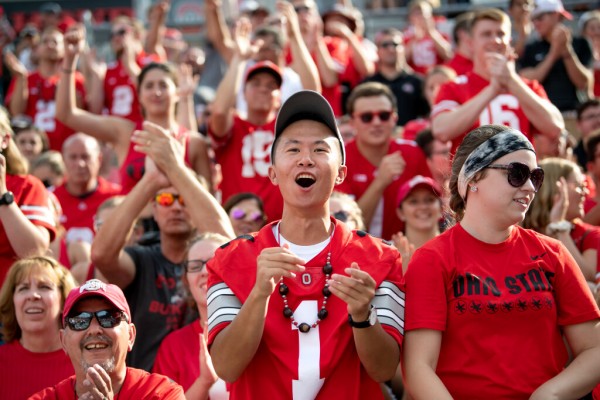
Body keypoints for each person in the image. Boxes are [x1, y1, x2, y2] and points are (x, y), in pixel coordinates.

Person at [207, 90, 404, 399]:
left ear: (341, 174)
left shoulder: (381, 258)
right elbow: (226, 367)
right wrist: (259, 294)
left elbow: (384, 369)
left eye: (320, 149)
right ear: (273, 173)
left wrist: (364, 314)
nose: (306, 159)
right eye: (293, 149)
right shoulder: (229, 259)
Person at [403, 124, 600, 398]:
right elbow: (418, 367)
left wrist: (551, 394)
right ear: (473, 177)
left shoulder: (552, 253)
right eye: (517, 174)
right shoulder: (433, 259)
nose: (530, 187)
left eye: (536, 176)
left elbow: (594, 349)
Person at [91, 118, 234, 371]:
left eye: (183, 198)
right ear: (153, 210)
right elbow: (101, 255)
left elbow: (228, 246)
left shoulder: (213, 262)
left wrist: (176, 168)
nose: (176, 206)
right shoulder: (142, 260)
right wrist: (150, 181)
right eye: (166, 199)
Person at [56, 29, 213, 194]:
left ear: (176, 92)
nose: (156, 92)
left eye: (163, 85)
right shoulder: (125, 132)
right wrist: (70, 60)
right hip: (134, 220)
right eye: (149, 86)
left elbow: (207, 197)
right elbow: (66, 114)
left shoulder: (193, 142)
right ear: (139, 94)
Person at [432, 8, 564, 155]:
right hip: (472, 176)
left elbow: (555, 127)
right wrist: (492, 90)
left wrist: (511, 81)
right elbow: (441, 131)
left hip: (518, 175)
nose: (495, 40)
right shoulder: (454, 86)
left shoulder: (528, 86)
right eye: (486, 34)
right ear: (470, 43)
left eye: (501, 34)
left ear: (510, 42)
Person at [30, 278, 186, 399]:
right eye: (80, 320)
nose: (94, 329)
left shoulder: (161, 394)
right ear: (63, 341)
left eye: (108, 318)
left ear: (131, 335)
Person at [209, 22, 285, 221]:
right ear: (244, 92)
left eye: (271, 86)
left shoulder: (287, 129)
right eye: (256, 83)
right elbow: (218, 111)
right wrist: (239, 59)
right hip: (238, 225)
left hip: (279, 228)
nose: (263, 89)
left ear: (280, 96)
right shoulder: (233, 125)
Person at [337, 82, 432, 240]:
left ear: (394, 118)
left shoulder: (412, 153)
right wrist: (380, 181)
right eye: (366, 117)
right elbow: (346, 227)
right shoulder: (340, 158)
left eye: (384, 115)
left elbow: (430, 213)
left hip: (402, 252)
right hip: (353, 251)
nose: (376, 123)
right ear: (352, 122)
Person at [153, 233, 230, 399]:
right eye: (195, 266)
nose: (204, 271)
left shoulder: (261, 330)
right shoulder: (173, 346)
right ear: (187, 281)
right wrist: (204, 382)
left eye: (214, 261)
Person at [0, 256, 76, 400]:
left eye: (44, 287)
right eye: (23, 288)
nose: (33, 295)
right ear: (12, 301)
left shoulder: (84, 363)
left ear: (64, 301)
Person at [4, 27, 86, 152]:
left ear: (64, 49)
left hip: (66, 149)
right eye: (45, 41)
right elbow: (16, 113)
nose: (50, 45)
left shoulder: (76, 79)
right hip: (32, 151)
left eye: (55, 42)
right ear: (36, 49)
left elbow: (80, 114)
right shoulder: (26, 78)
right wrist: (21, 78)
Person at [0, 107, 56, 287]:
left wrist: (3, 196)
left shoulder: (27, 186)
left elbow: (35, 251)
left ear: (5, 140)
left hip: (8, 304)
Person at [523, 157, 600, 287]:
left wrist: (558, 225)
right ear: (556, 188)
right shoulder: (521, 230)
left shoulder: (589, 234)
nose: (585, 193)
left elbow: (587, 279)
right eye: (579, 186)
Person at [519, 0, 593, 121]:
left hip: (576, 115)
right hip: (544, 117)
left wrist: (567, 52)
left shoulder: (581, 44)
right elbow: (527, 81)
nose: (536, 23)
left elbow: (583, 83)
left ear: (557, 15)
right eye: (533, 19)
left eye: (540, 17)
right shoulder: (531, 48)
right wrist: (554, 53)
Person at [53, 133, 121, 244]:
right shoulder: (49, 198)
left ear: (99, 159)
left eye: (85, 157)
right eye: (73, 157)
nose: (80, 163)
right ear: (63, 160)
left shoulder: (117, 196)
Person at [362, 28, 430, 127]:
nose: (391, 49)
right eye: (385, 45)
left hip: (411, 138)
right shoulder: (367, 84)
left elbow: (426, 115)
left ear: (403, 48)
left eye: (395, 44)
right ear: (377, 51)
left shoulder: (418, 82)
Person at [392, 175, 444, 273]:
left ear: (442, 209)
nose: (423, 207)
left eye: (429, 200)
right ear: (401, 213)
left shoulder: (455, 249)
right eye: (413, 201)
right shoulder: (387, 252)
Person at [404, 0, 452, 75]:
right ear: (410, 17)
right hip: (415, 76)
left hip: (437, 75)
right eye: (416, 14)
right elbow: (402, 59)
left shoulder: (441, 35)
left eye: (423, 14)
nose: (420, 17)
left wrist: (431, 33)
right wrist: (414, 40)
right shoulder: (405, 37)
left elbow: (448, 55)